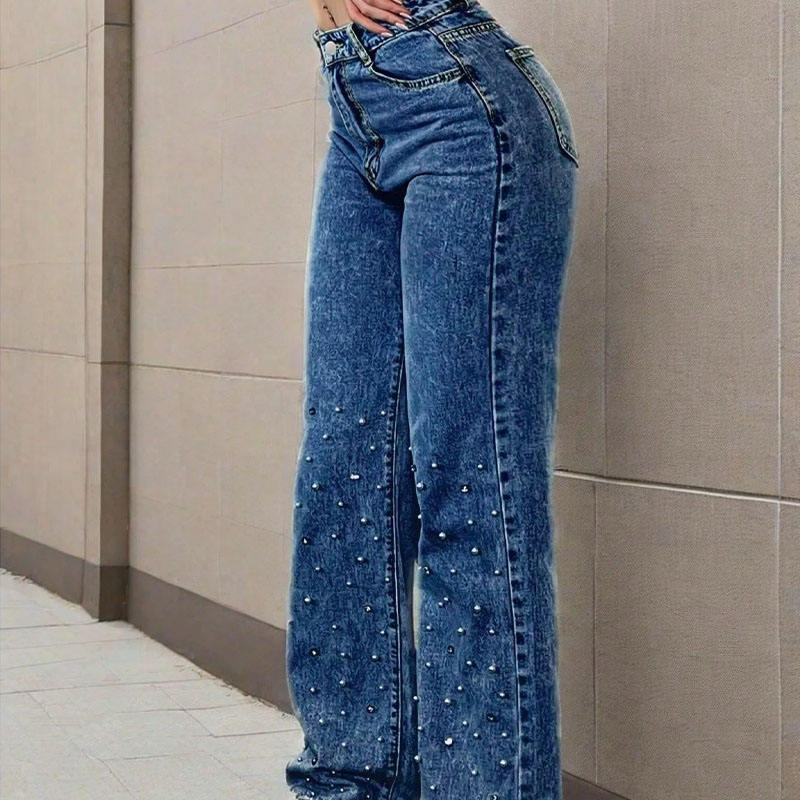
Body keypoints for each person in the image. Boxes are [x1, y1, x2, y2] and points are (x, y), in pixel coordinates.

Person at [284, 1, 579, 798]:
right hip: (356, 109)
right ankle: (349, 785)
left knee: (470, 488)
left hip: (461, 101)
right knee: (342, 483)